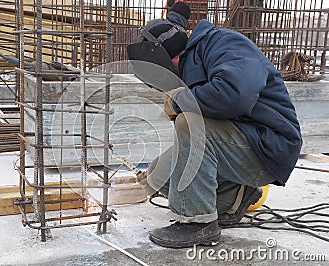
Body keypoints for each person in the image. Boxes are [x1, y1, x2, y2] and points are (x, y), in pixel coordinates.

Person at [127, 2, 302, 249]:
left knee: (189, 122)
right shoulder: (191, 60)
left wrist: (179, 102)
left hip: (269, 146)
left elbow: (235, 95)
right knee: (158, 177)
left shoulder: (225, 43)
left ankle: (197, 223)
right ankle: (235, 196)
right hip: (243, 140)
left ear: (170, 57)